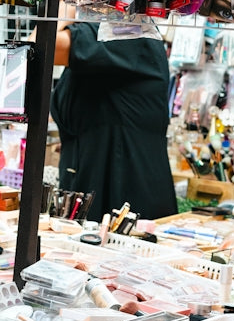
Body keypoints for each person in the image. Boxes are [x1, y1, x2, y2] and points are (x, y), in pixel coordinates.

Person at [50, 20, 177, 222]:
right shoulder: (102, 44)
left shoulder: (130, 33)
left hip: (124, 196)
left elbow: (41, 46)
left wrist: (63, 11)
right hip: (89, 187)